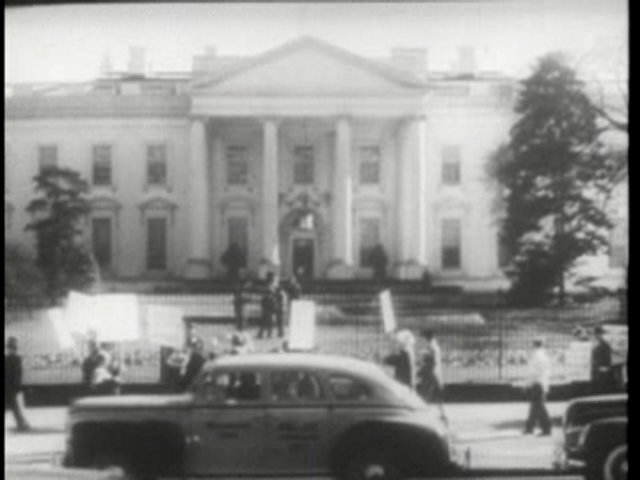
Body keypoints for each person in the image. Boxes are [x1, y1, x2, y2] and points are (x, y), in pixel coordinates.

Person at [524, 338, 552, 436]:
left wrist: (528, 384)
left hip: (536, 383)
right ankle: (529, 428)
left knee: (539, 407)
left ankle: (546, 429)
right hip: (542, 382)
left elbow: (532, 372)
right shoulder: (544, 356)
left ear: (534, 345)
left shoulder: (535, 356)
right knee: (535, 406)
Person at [5, 337, 30, 431]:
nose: (9, 350)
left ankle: (21, 423)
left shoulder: (15, 359)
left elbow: (17, 373)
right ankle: (21, 423)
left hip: (10, 386)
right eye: (8, 348)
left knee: (14, 405)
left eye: (10, 348)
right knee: (14, 406)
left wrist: (17, 386)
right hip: (10, 386)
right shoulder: (14, 358)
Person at [591, 325, 615, 394]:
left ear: (601, 334)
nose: (597, 335)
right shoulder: (592, 344)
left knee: (602, 385)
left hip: (602, 367)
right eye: (596, 334)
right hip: (593, 368)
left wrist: (606, 367)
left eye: (599, 334)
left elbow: (608, 357)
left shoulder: (605, 344)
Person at [257, 274, 278, 339]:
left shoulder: (268, 287)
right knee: (269, 321)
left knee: (265, 321)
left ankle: (262, 334)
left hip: (267, 306)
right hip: (268, 306)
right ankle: (267, 334)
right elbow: (269, 297)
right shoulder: (270, 287)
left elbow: (264, 298)